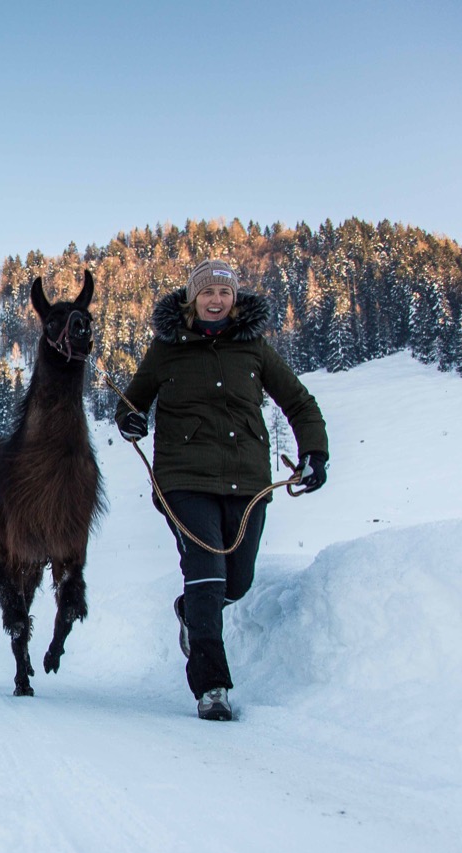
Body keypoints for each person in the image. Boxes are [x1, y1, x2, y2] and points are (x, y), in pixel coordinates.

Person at [115, 259, 329, 721]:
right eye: (207, 292)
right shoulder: (167, 348)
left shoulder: (253, 348)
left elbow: (298, 401)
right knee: (208, 571)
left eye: (224, 293)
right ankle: (212, 687)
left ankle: (191, 609)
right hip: (183, 480)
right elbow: (133, 399)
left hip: (246, 482)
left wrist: (315, 452)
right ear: (192, 298)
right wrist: (130, 419)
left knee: (238, 581)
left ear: (235, 300)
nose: (216, 300)